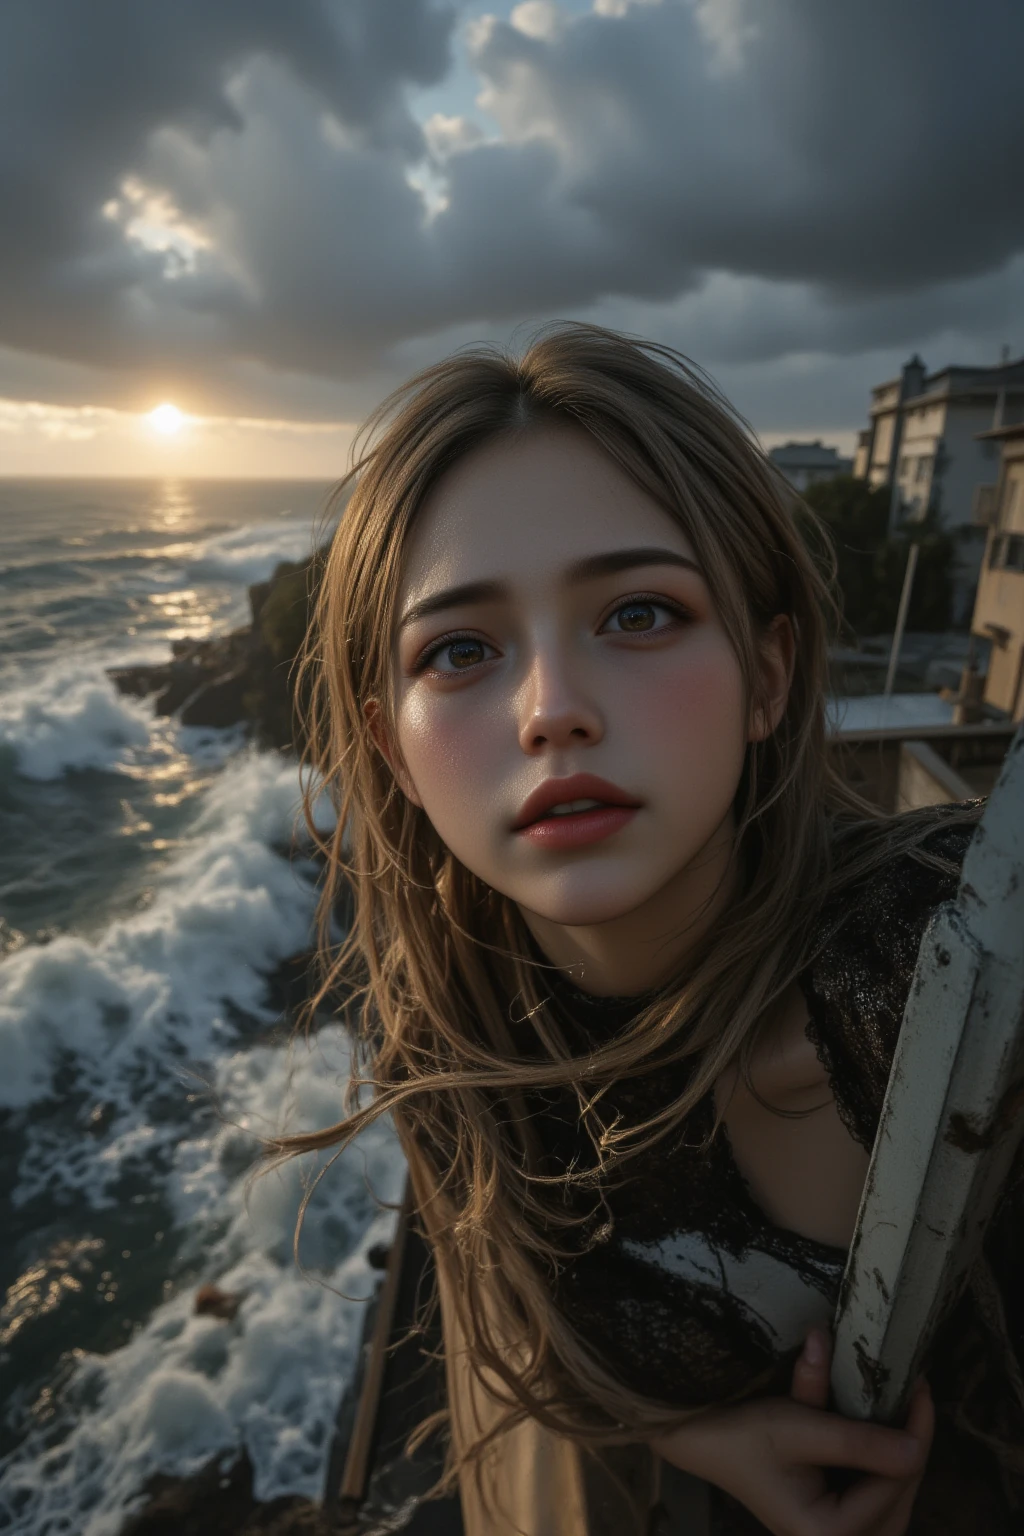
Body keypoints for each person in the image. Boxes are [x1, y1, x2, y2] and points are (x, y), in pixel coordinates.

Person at [278, 323, 1024, 1534]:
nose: (553, 711)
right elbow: (521, 1335)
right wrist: (692, 1431)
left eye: (637, 614)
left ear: (769, 676)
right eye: (461, 649)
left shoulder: (956, 963)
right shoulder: (451, 1049)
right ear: (389, 751)